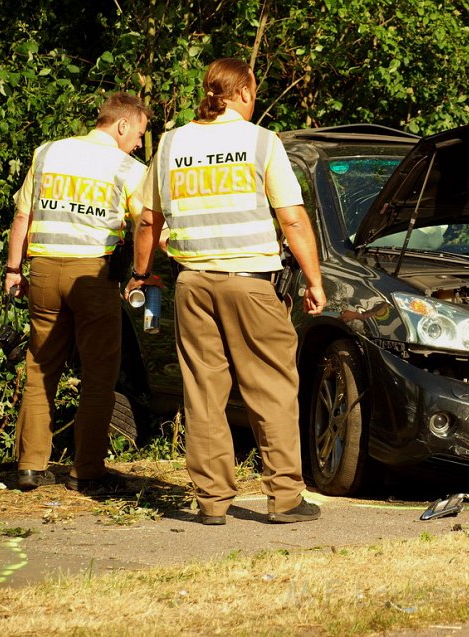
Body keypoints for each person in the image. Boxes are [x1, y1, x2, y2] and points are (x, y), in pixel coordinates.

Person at [125, 58, 327, 525]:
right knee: (272, 388)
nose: (254, 99)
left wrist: (142, 274)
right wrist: (314, 280)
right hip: (251, 283)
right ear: (240, 92)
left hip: (193, 283)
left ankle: (212, 501)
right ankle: (285, 498)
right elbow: (292, 218)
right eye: (253, 91)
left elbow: (149, 220)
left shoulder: (172, 143)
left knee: (202, 392)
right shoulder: (261, 141)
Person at [5, 92, 151, 495]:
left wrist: (13, 269)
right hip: (93, 276)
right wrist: (145, 272)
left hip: (44, 271)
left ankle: (30, 467)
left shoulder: (48, 153)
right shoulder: (128, 169)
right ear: (121, 125)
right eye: (138, 133)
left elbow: (24, 214)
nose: (138, 142)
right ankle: (86, 469)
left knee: (40, 367)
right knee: (99, 374)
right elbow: (147, 226)